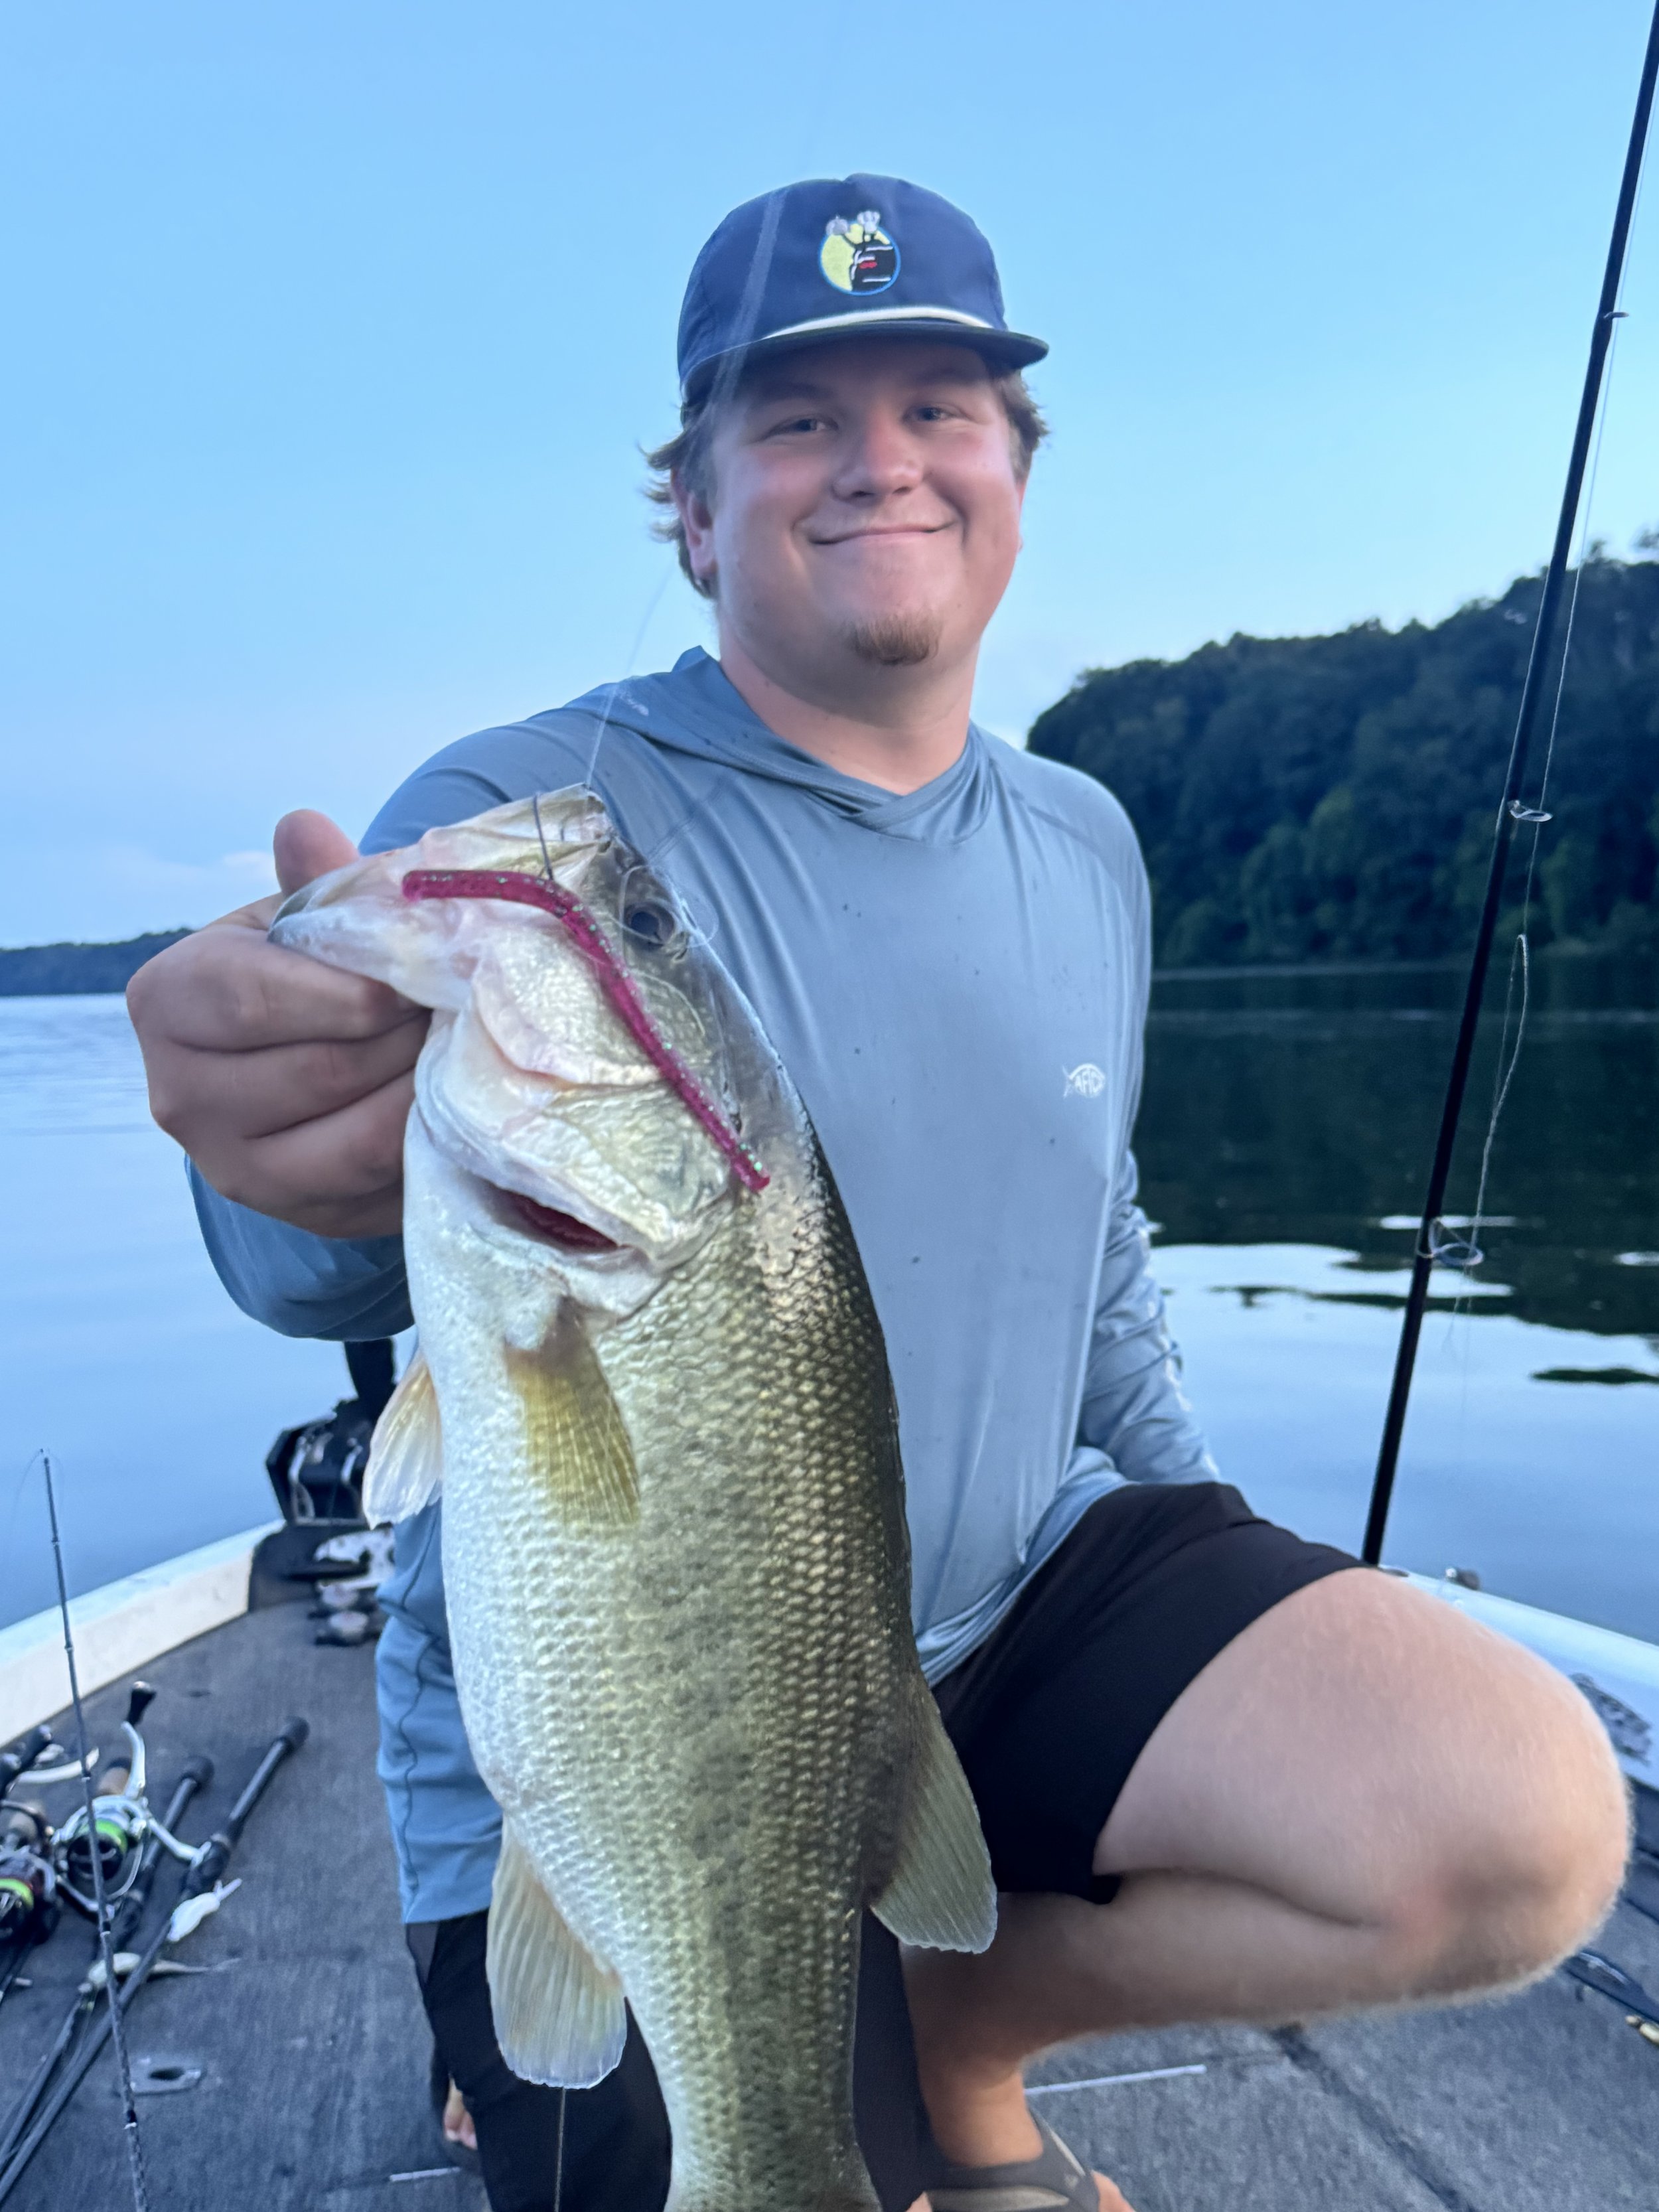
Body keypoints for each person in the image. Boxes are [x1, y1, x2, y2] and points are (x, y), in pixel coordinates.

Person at [127, 174, 1630, 2212]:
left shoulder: (1086, 837)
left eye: (940, 404)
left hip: (1011, 1615)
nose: (878, 462)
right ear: (691, 504)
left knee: (1518, 1823)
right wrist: (261, 1149)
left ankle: (960, 2019)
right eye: (797, 420)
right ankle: (640, 2059)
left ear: (1015, 467)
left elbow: (1092, 1255)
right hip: (630, 1722)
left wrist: (1244, 1571)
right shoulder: (524, 823)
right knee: (694, 2141)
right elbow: (319, 1266)